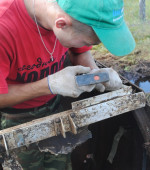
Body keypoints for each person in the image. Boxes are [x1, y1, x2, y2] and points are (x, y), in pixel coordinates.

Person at [0, 0, 135, 169]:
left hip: (54, 106)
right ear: (61, 24)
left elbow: (79, 52)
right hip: (12, 117)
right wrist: (49, 84)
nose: (87, 46)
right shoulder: (4, 27)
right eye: (87, 42)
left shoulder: (69, 13)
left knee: (59, 163)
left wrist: (96, 74)